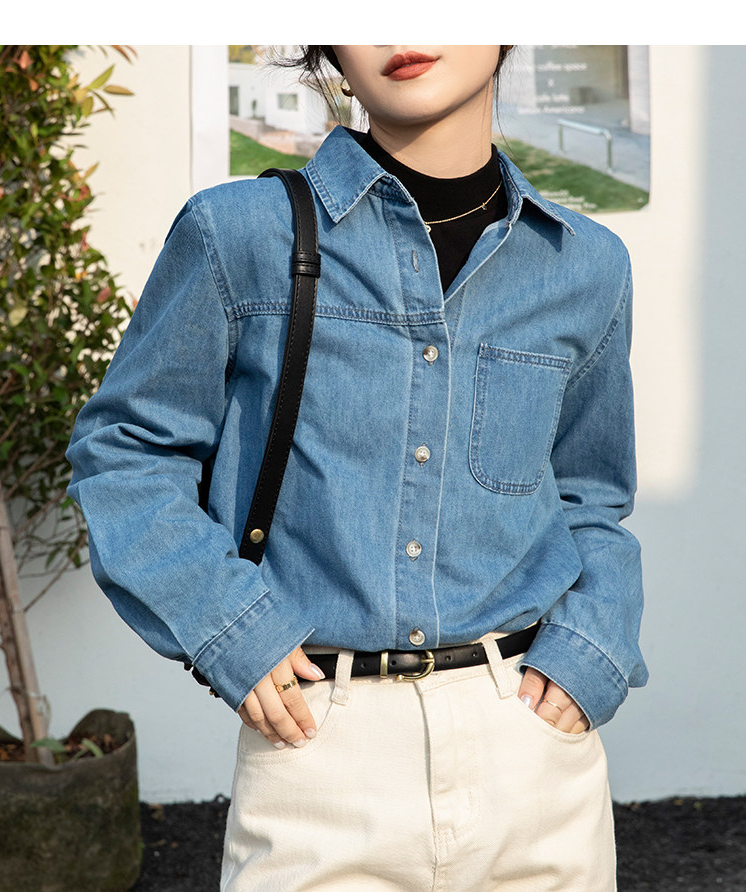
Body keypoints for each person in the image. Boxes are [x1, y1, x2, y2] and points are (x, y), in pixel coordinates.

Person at [67, 45, 648, 890]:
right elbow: (127, 451)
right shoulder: (239, 235)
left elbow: (590, 493)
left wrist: (594, 647)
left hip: (530, 747)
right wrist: (233, 630)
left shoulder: (585, 263)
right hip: (318, 749)